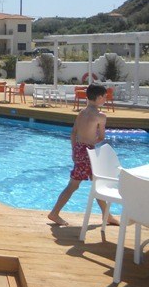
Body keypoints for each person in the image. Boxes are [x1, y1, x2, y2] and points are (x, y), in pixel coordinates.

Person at [48, 84, 119, 227]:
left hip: (79, 149)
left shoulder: (81, 112)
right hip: (88, 152)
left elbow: (73, 133)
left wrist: (74, 151)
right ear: (99, 97)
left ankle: (107, 215)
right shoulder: (101, 116)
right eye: (105, 97)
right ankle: (54, 213)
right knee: (74, 185)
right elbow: (101, 137)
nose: (105, 99)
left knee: (96, 183)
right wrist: (91, 143)